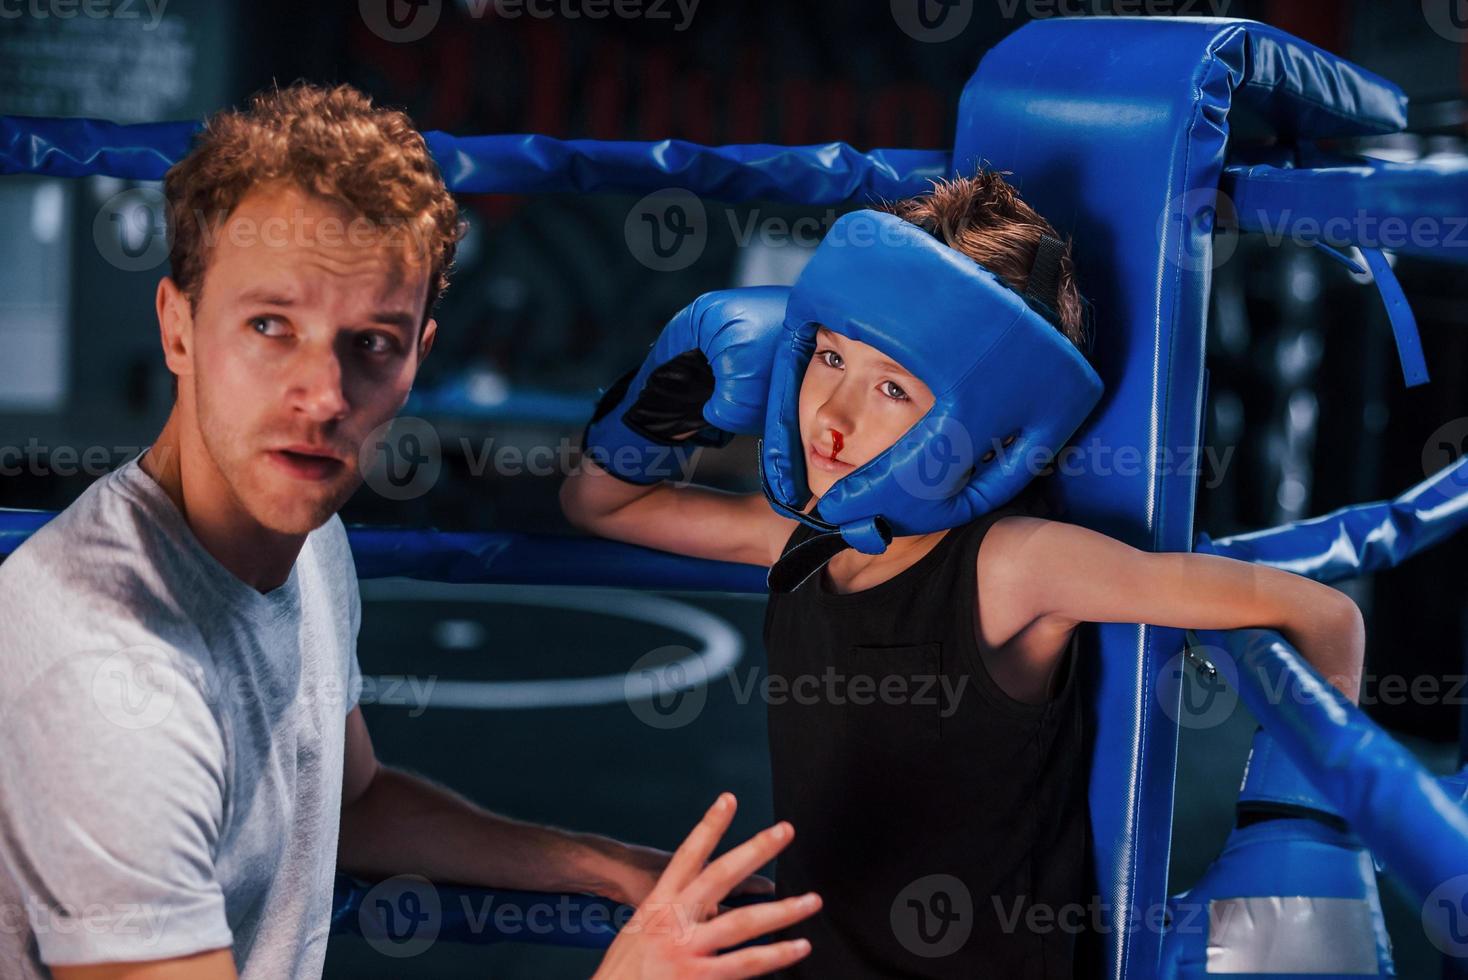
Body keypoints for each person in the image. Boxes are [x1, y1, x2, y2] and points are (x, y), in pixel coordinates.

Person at [0, 81, 819, 980]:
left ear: (418, 357)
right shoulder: (104, 672)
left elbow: (352, 804)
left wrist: (608, 867)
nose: (322, 398)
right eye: (270, 326)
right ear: (178, 327)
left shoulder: (306, 537)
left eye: (370, 344)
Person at [561, 172, 1367, 977]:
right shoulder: (798, 538)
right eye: (828, 356)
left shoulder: (1015, 567)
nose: (833, 416)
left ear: (987, 427)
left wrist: (1294, 854)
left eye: (891, 387)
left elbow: (1326, 616)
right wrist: (663, 400)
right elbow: (600, 504)